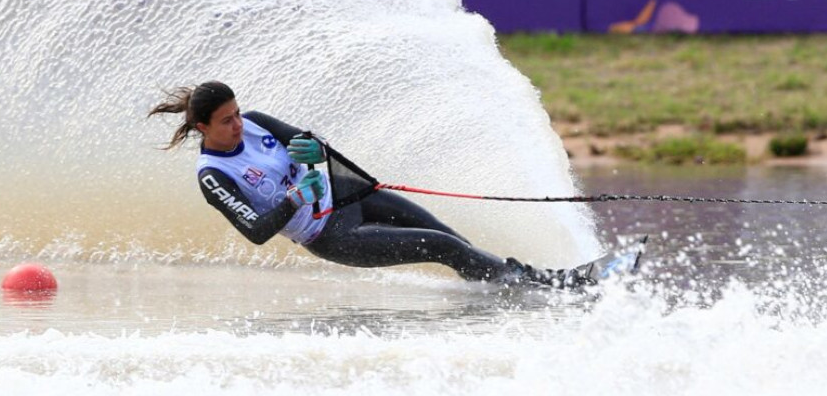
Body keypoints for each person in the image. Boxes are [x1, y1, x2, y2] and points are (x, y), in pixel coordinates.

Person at [148, 81, 589, 287]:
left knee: (452, 240)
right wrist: (295, 198)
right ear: (204, 127)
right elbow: (256, 231)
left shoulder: (258, 124)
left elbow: (311, 142)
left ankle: (512, 286)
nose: (239, 125)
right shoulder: (213, 176)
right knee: (440, 245)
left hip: (350, 197)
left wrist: (308, 146)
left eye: (238, 113)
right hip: (332, 235)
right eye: (227, 121)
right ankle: (542, 285)